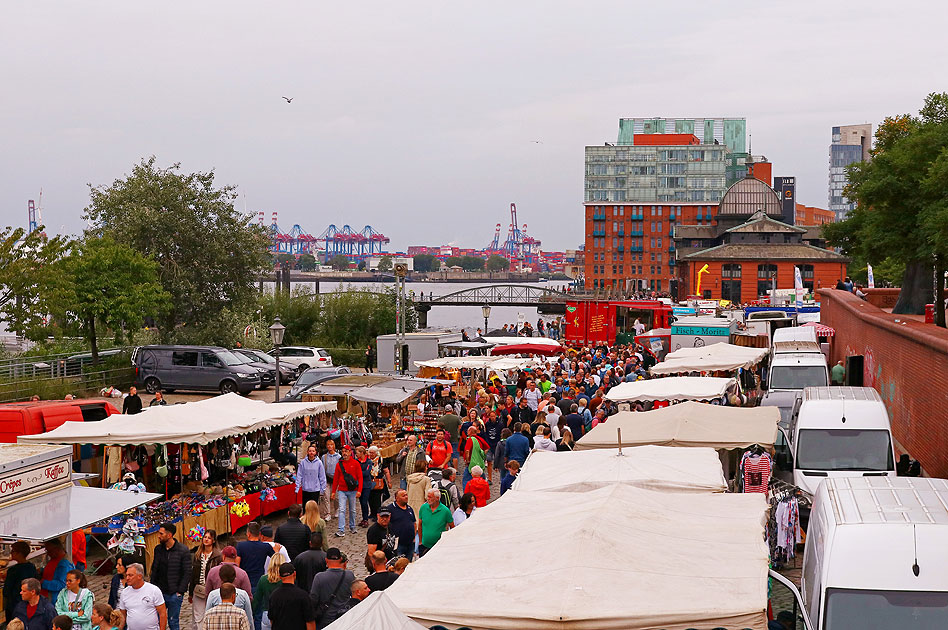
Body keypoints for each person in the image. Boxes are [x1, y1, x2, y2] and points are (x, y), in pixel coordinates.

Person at [150, 522, 191, 630]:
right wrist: (152, 588)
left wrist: (180, 591)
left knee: (173, 622)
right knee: (156, 621)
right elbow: (154, 569)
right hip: (159, 592)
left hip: (174, 593)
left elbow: (187, 572)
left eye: (161, 534)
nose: (159, 536)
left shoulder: (183, 550)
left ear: (169, 535)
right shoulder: (158, 549)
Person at [309, 549, 353, 629]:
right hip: (344, 618)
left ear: (326, 560)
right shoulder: (349, 575)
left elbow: (313, 599)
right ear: (340, 559)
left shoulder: (319, 577)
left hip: (326, 620)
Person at [117, 563, 167, 630]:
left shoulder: (154, 590)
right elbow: (122, 616)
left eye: (130, 575)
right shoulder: (124, 592)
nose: (127, 578)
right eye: (126, 575)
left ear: (139, 576)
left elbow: (162, 614)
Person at [266, 563, 315, 630]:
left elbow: (272, 620)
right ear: (294, 574)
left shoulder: (274, 596)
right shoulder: (303, 596)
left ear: (280, 577)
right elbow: (310, 621)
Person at [190, 530, 223, 627]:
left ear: (213, 540)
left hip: (212, 590)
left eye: (209, 538)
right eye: (205, 537)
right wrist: (191, 592)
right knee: (198, 616)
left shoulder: (217, 556)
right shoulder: (197, 555)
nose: (206, 539)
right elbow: (193, 575)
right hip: (199, 589)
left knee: (210, 615)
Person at [330, 446, 363, 537]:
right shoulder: (339, 465)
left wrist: (359, 490)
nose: (344, 453)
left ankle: (352, 526)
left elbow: (360, 477)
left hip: (353, 490)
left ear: (350, 452)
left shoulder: (356, 463)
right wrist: (333, 491)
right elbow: (336, 479)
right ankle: (341, 529)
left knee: (352, 510)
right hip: (342, 490)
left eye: (346, 451)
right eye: (343, 451)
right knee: (342, 509)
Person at [236, 523, 274, 595]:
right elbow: (276, 559)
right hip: (259, 581)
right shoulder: (266, 546)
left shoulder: (240, 546)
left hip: (244, 581)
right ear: (259, 534)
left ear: (248, 534)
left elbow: (237, 565)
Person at [4, 541, 38, 623]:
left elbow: (6, 591)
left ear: (19, 553)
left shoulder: (13, 570)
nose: (11, 553)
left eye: (13, 551)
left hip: (14, 605)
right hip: (29, 603)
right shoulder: (31, 567)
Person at [416, 489, 454, 556]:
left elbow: (452, 528)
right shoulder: (423, 508)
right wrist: (420, 541)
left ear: (437, 498)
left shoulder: (445, 511)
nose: (428, 499)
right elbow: (420, 525)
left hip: (439, 547)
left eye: (430, 497)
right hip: (424, 546)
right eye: (427, 496)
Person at [252, 555, 284, 630]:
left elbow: (257, 599)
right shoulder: (285, 580)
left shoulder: (263, 579)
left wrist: (252, 614)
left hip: (267, 613)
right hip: (282, 614)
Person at [42, 539, 75, 604]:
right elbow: (53, 571)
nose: (48, 553)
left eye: (49, 551)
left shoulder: (65, 564)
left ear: (57, 549)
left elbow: (62, 584)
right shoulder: (55, 558)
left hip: (55, 599)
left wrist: (43, 583)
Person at [365, 506, 397, 572]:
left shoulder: (391, 526)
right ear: (378, 516)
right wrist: (377, 568)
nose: (384, 519)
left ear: (390, 516)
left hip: (390, 562)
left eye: (387, 517)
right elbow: (371, 552)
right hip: (380, 565)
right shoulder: (373, 531)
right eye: (382, 517)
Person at [387, 489, 416, 560]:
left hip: (410, 543)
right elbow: (386, 525)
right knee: (398, 565)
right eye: (403, 496)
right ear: (397, 498)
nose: (406, 497)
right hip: (398, 544)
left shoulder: (409, 508)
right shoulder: (390, 509)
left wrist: (414, 537)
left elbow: (414, 523)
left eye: (406, 495)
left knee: (408, 564)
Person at [364, 445, 391, 522]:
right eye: (370, 453)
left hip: (378, 482)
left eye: (373, 453)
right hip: (369, 482)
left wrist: (389, 482)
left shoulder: (381, 460)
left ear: (376, 453)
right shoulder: (366, 460)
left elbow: (386, 471)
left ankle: (377, 514)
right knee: (370, 499)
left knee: (377, 500)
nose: (371, 454)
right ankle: (372, 513)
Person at [318, 440, 341, 521]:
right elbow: (322, 469)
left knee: (336, 497)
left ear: (334, 446)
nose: (329, 446)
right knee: (326, 497)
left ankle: (337, 509)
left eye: (331, 445)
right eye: (328, 445)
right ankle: (327, 513)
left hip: (336, 479)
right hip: (326, 479)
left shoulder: (338, 456)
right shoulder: (324, 457)